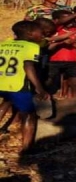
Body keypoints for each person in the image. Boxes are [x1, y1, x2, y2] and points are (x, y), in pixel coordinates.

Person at [0, 21, 50, 152]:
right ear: (31, 34)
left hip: (2, 81)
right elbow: (28, 67)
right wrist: (39, 88)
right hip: (18, 84)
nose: (42, 34)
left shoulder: (4, 44)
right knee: (29, 114)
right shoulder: (31, 47)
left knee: (6, 102)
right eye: (40, 31)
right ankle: (27, 148)